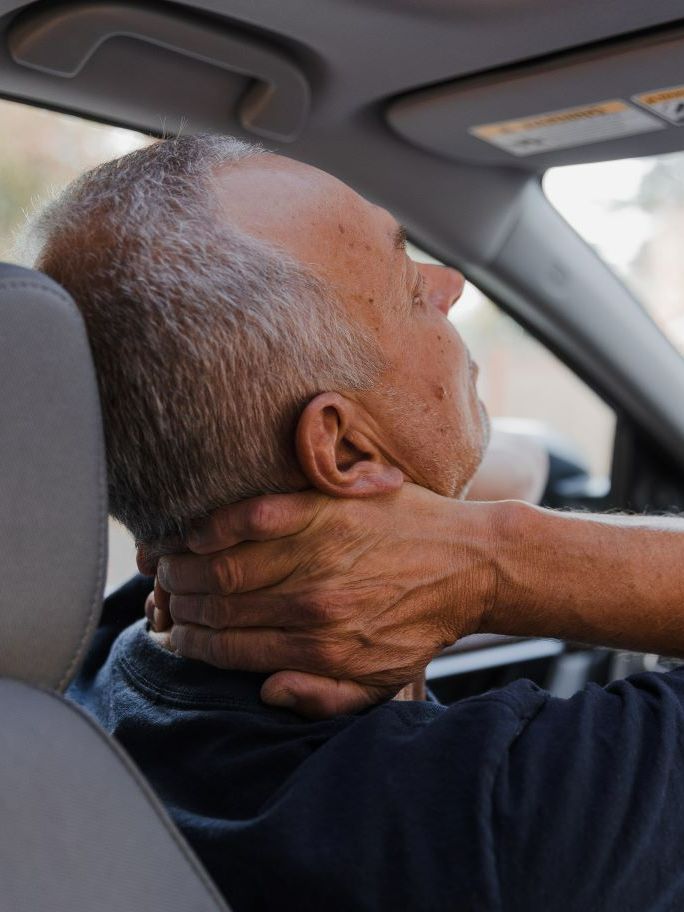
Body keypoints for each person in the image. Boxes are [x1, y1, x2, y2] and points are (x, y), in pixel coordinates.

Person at [31, 133, 684, 912]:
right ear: (341, 449)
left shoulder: (84, 675)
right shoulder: (512, 809)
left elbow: (502, 455)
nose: (449, 286)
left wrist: (426, 480)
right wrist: (498, 560)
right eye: (409, 284)